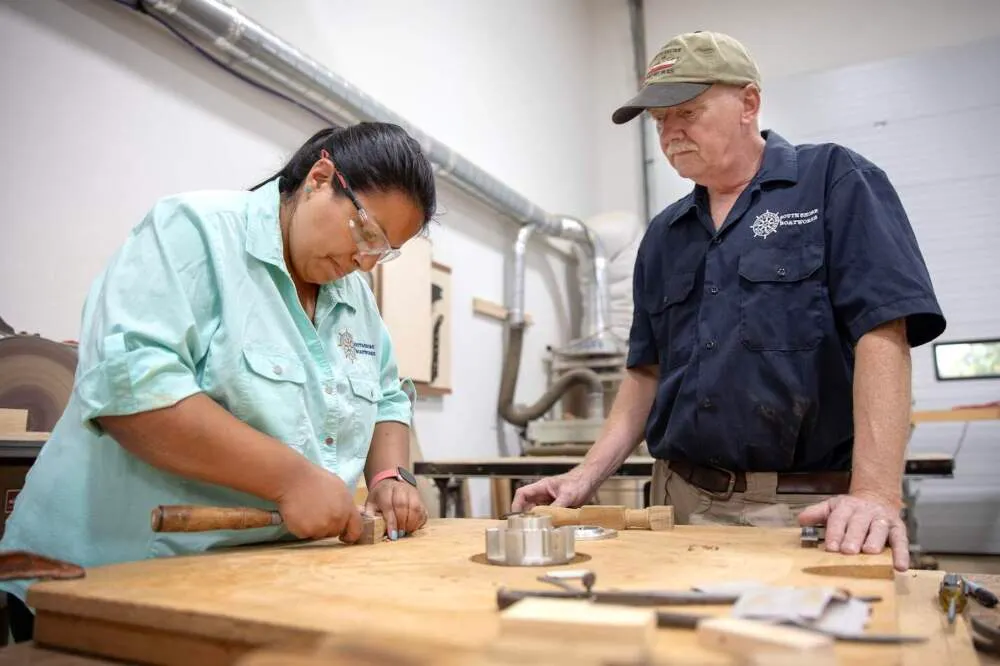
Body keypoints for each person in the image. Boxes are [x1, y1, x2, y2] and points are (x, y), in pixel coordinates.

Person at [512, 31, 946, 573]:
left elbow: (884, 331)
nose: (670, 133)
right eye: (659, 121)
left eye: (687, 111)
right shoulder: (664, 235)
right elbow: (645, 375)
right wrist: (583, 477)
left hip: (804, 508)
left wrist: (877, 494)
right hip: (678, 502)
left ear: (749, 103)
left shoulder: (833, 181)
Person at [0, 122, 435, 641]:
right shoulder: (192, 231)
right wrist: (291, 480)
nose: (364, 261)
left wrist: (390, 477)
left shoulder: (351, 294)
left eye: (382, 251)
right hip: (108, 579)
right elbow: (131, 391)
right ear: (320, 177)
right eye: (365, 233)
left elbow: (387, 394)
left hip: (250, 585)